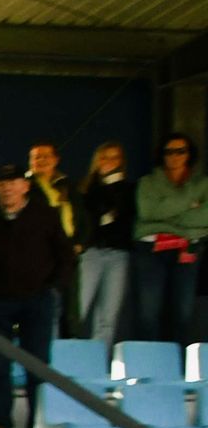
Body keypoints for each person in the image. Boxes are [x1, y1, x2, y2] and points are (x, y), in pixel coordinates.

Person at [0, 163, 70, 428]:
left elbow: (65, 258)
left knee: (38, 366)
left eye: (12, 181)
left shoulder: (46, 215)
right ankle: (1, 421)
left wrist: (53, 289)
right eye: (1, 182)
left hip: (37, 300)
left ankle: (37, 423)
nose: (7, 187)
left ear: (25, 185)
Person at [72, 141, 135, 348]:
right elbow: (91, 218)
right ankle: (69, 356)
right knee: (79, 309)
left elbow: (125, 218)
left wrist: (113, 186)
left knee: (108, 316)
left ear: (121, 162)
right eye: (104, 157)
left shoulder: (128, 189)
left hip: (118, 255)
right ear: (97, 161)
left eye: (114, 157)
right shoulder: (85, 189)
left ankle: (99, 361)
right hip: (92, 253)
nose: (109, 162)